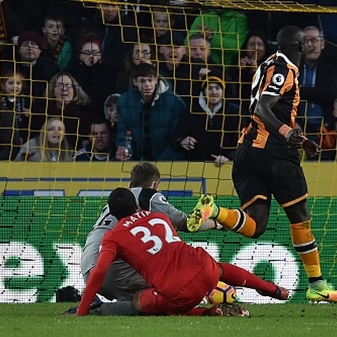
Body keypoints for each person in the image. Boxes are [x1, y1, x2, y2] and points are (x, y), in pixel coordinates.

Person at [186, 26, 337, 304]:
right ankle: (317, 284)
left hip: (246, 152)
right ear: (302, 47)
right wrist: (288, 134)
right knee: (300, 217)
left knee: (255, 226)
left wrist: (299, 137)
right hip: (275, 154)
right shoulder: (285, 69)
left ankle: (216, 211)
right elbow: (261, 107)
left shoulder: (267, 64)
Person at [74, 187, 289, 317]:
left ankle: (208, 313)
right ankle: (273, 289)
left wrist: (81, 310)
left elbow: (100, 272)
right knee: (220, 269)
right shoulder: (158, 217)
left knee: (140, 300)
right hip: (202, 266)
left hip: (175, 291)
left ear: (111, 212)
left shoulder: (113, 235)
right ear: (136, 206)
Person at [76, 164, 235, 316]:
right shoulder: (149, 195)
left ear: (131, 183)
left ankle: (95, 303)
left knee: (150, 291)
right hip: (112, 268)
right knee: (171, 284)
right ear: (155, 184)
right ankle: (98, 308)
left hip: (89, 266)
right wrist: (218, 224)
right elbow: (188, 224)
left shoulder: (118, 200)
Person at [114, 63, 187, 161]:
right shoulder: (124, 101)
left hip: (167, 162)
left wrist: (160, 162)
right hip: (137, 162)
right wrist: (126, 149)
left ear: (156, 80)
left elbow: (176, 137)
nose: (147, 85)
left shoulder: (175, 103)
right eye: (142, 81)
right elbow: (123, 132)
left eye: (150, 80)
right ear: (135, 82)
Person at [174, 76, 243, 166]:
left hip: (226, 165)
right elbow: (177, 135)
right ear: (203, 91)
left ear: (223, 91)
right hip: (195, 165)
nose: (214, 92)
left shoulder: (235, 112)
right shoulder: (191, 110)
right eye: (209, 88)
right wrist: (181, 140)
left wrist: (229, 157)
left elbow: (244, 142)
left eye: (217, 88)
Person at [296, 26, 337, 139]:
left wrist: (300, 90)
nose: (309, 45)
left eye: (313, 40)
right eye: (305, 41)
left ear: (322, 44)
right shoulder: (293, 65)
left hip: (326, 127)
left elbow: (331, 93)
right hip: (298, 126)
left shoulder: (333, 64)